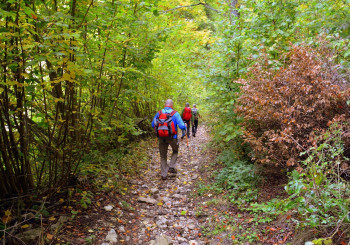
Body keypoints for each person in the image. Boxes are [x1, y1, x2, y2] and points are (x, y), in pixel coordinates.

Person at [152, 99, 186, 180]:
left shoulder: (159, 113)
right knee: (175, 151)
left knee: (163, 156)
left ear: (165, 104)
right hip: (172, 137)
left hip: (161, 138)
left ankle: (164, 174)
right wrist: (185, 125)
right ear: (172, 105)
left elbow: (153, 125)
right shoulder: (175, 113)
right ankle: (171, 166)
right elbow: (181, 126)